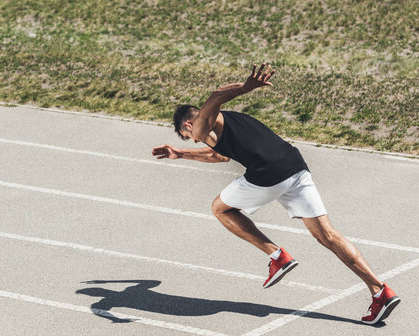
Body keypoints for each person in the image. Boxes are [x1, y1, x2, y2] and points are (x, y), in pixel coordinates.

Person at [151, 64, 400, 325]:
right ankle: (380, 291)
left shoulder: (201, 126)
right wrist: (181, 153)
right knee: (327, 235)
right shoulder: (228, 122)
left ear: (189, 124)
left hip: (268, 175)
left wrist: (246, 87)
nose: (194, 140)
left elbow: (214, 97)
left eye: (188, 137)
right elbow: (220, 156)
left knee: (219, 208)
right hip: (294, 166)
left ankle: (276, 256)